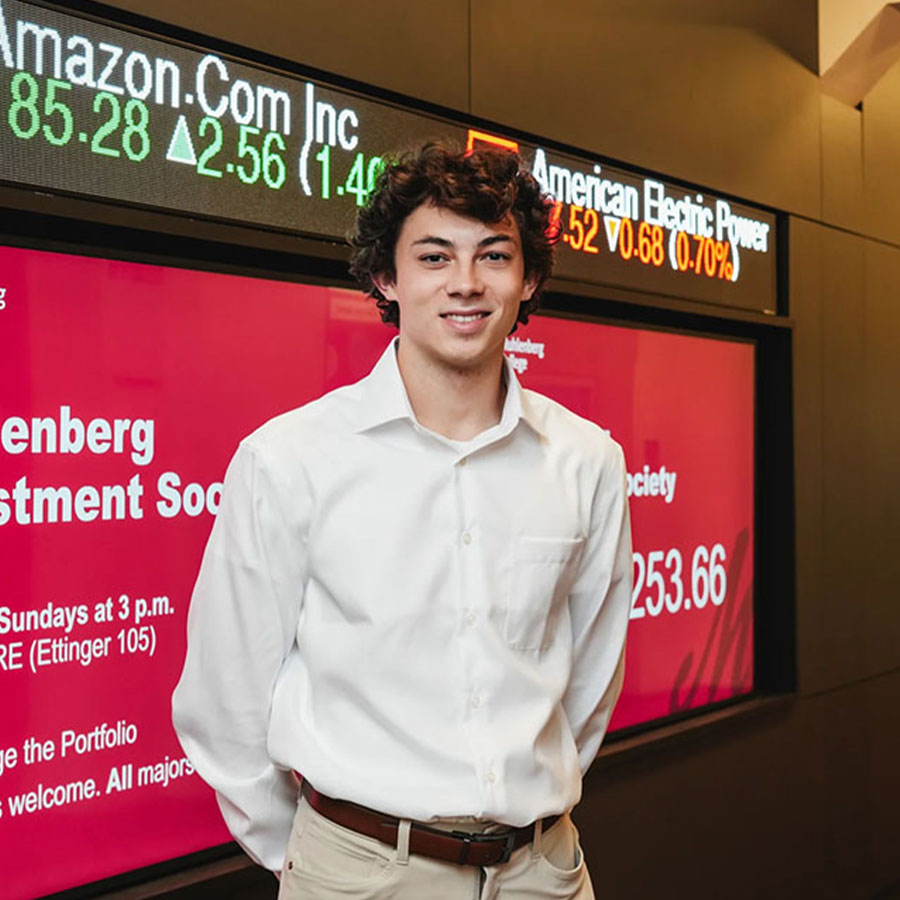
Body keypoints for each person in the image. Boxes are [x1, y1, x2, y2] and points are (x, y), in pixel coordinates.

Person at [172, 142, 632, 900]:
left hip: (543, 873)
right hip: (359, 874)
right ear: (387, 277)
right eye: (433, 256)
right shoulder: (291, 458)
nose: (466, 284)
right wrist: (313, 862)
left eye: (494, 255)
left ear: (529, 279)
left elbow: (588, 684)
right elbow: (224, 700)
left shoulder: (587, 461)